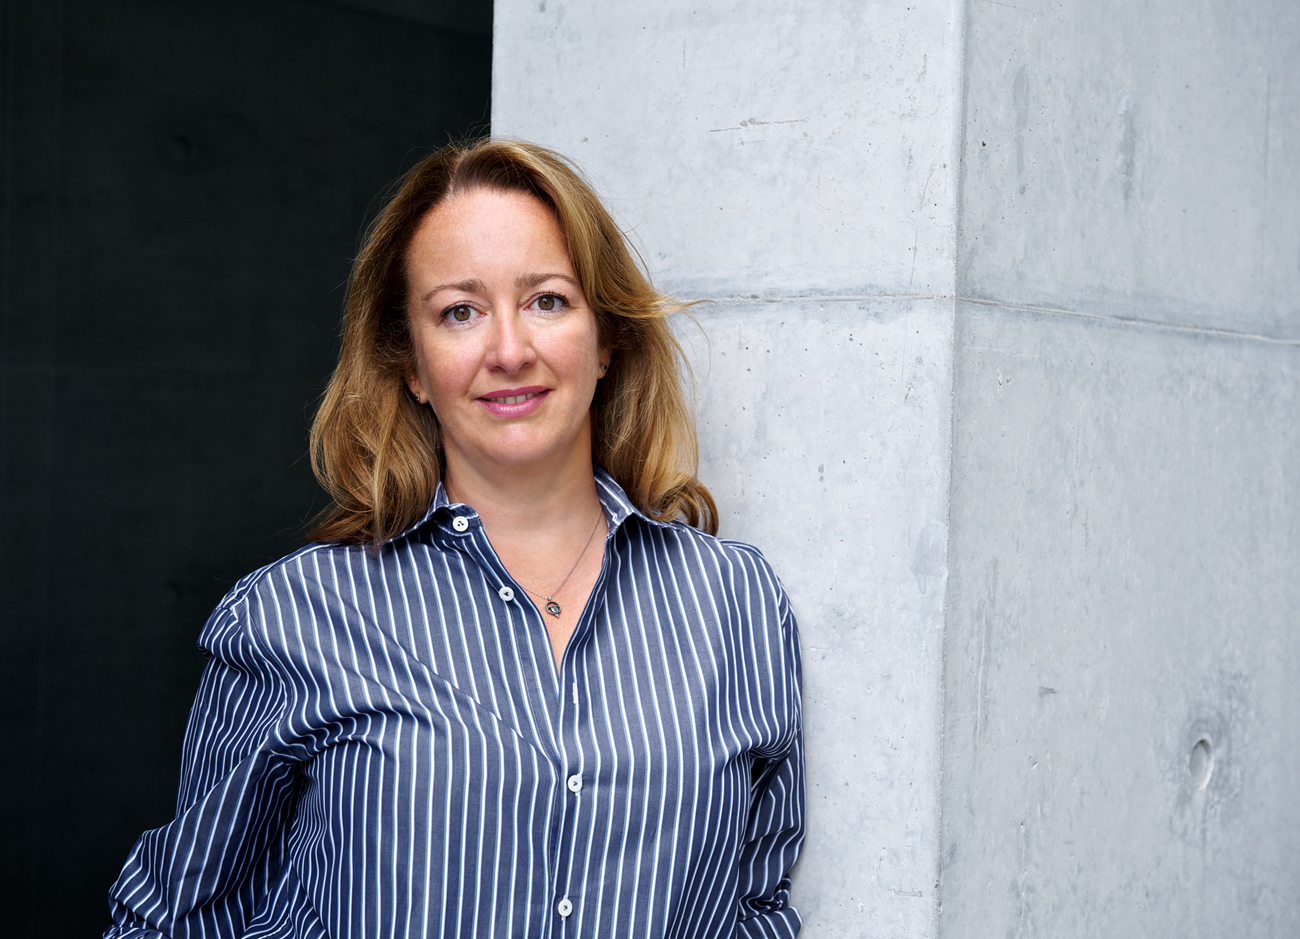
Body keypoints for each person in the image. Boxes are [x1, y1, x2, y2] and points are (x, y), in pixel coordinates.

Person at [105, 139, 804, 939]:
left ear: (606, 337)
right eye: (459, 312)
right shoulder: (296, 613)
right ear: (410, 363)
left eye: (547, 301)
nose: (509, 351)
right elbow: (174, 918)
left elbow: (755, 909)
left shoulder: (735, 603)